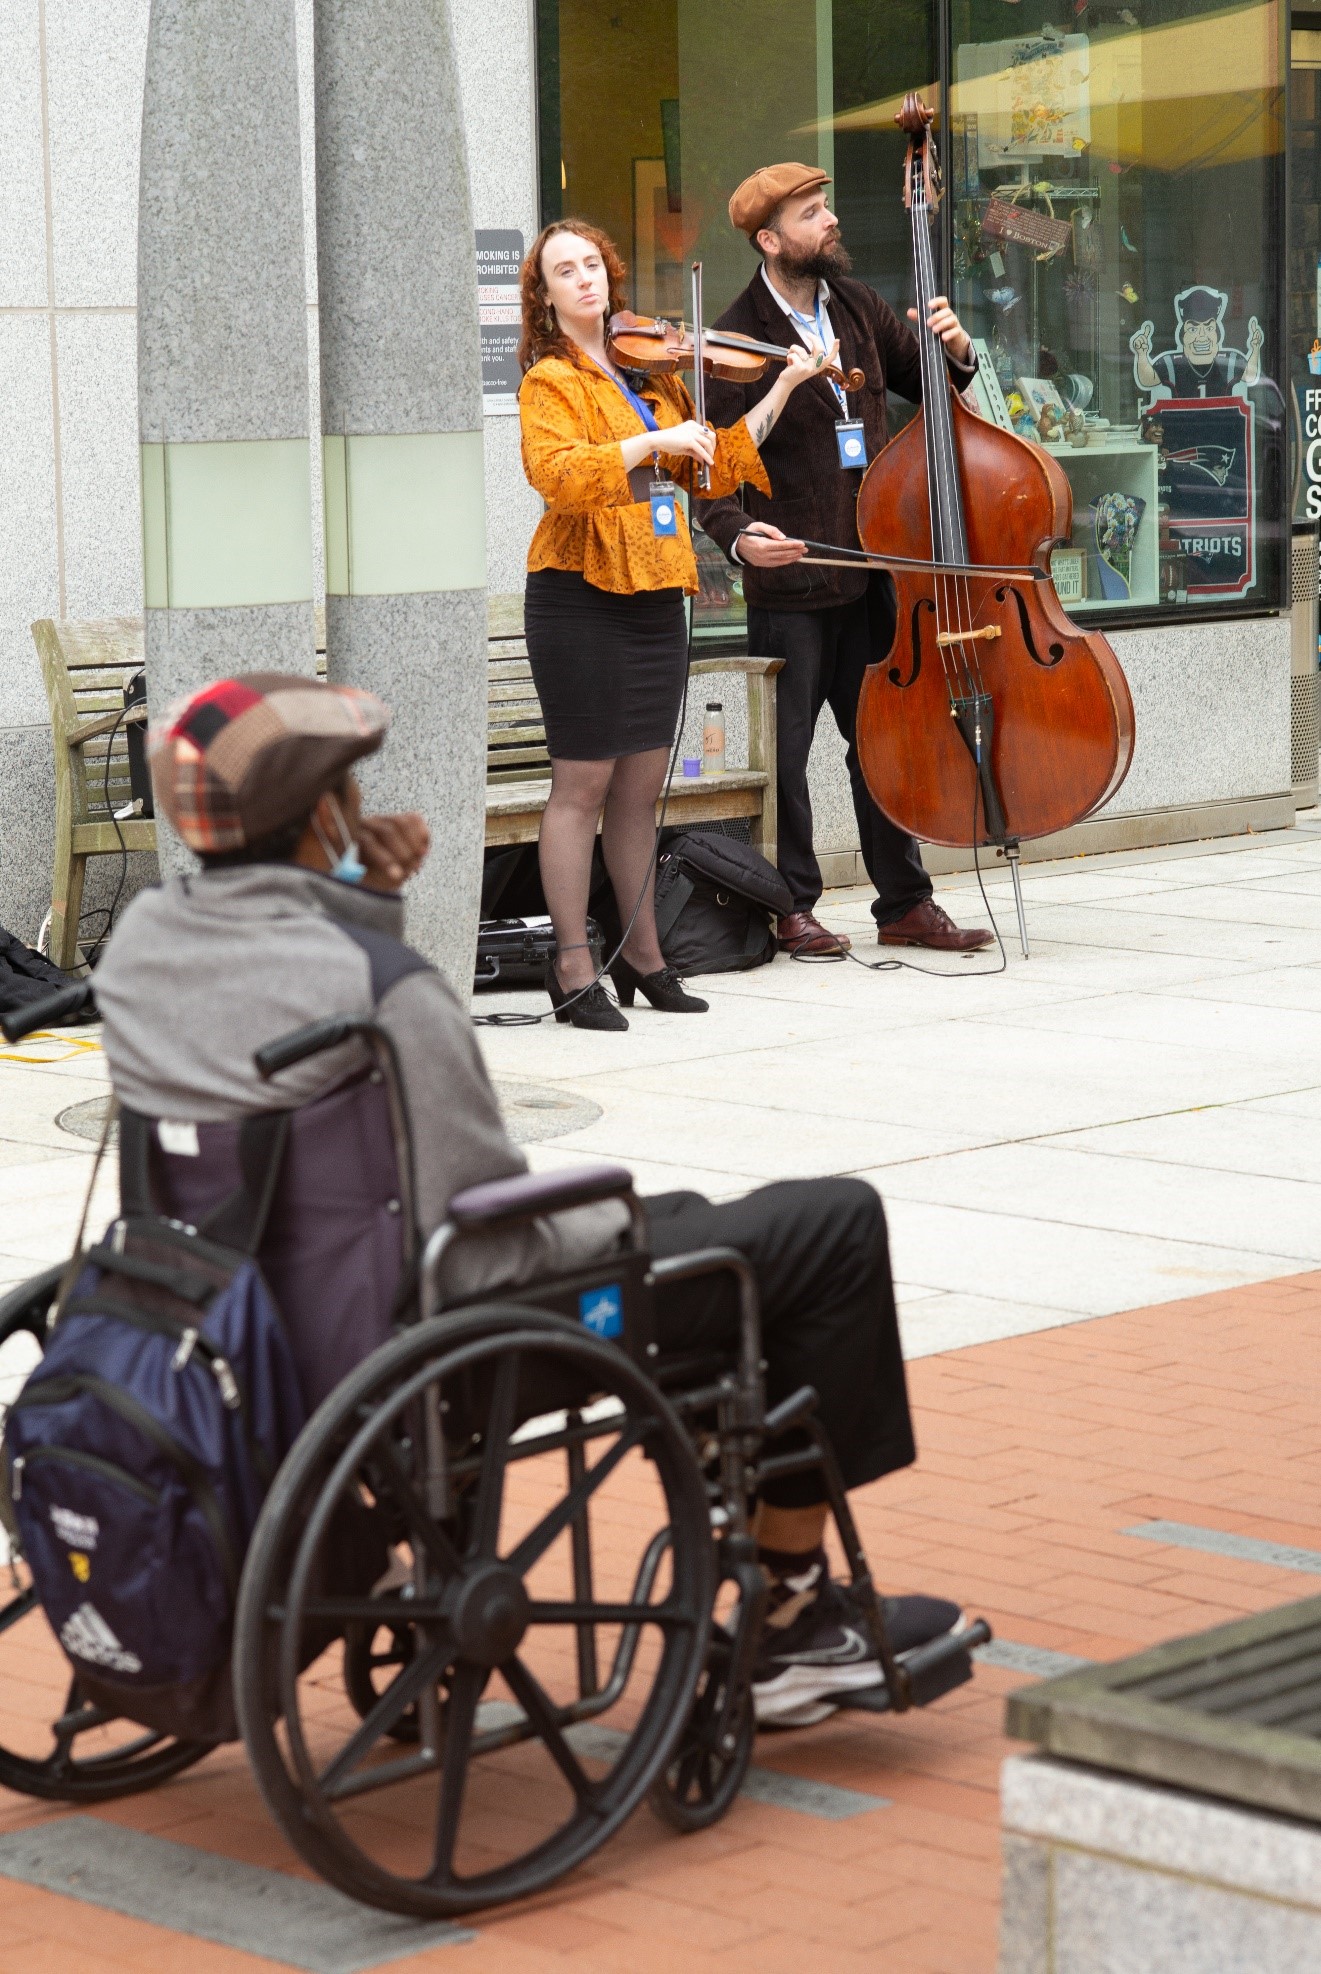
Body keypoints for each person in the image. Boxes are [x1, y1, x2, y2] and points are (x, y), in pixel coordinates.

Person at [92, 672, 966, 1725]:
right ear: (317, 812)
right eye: (345, 796)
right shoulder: (383, 993)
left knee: (697, 1223)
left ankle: (747, 1537)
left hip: (245, 1320)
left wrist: (365, 894)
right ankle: (788, 1616)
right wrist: (615, 1216)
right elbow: (477, 1202)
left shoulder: (141, 949)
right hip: (436, 1336)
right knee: (823, 1226)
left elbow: (293, 988)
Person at [517, 218, 824, 1030]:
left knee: (640, 790)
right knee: (580, 786)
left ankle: (644, 959)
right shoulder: (550, 381)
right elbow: (557, 477)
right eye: (564, 271)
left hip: (654, 590)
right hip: (577, 590)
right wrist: (649, 439)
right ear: (544, 296)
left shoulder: (652, 375)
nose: (584, 278)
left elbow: (714, 464)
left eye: (592, 264)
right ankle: (572, 963)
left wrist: (783, 387)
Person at [696, 164, 994, 958]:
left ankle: (904, 900)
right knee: (788, 758)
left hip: (872, 576)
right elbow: (711, 475)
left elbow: (932, 387)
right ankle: (793, 905)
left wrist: (959, 351)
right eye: (809, 213)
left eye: (826, 206)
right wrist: (736, 535)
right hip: (791, 583)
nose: (828, 221)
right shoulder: (732, 338)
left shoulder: (859, 309)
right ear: (769, 239)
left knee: (882, 746)